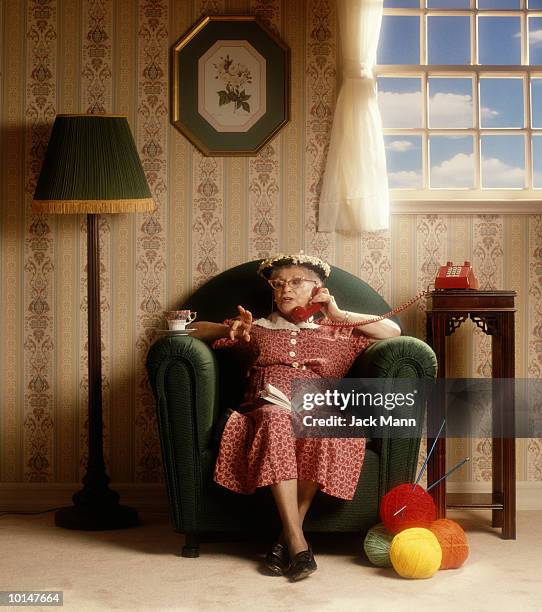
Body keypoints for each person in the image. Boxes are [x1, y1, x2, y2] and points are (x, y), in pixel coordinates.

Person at [191, 252, 401, 581]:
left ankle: (287, 539)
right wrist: (229, 330)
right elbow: (191, 330)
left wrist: (337, 312)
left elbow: (392, 331)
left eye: (295, 282)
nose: (284, 289)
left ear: (317, 289)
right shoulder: (255, 329)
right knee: (276, 418)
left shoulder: (338, 330)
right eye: (278, 284)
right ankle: (298, 541)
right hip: (265, 410)